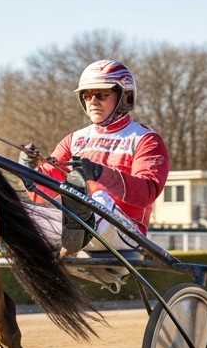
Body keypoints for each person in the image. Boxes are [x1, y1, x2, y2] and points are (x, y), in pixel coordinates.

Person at [17, 59, 170, 256]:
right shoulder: (74, 140)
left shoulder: (146, 140)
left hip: (126, 233)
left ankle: (73, 238)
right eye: (87, 95)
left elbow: (146, 193)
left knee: (98, 198)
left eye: (102, 95)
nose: (93, 101)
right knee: (15, 212)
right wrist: (29, 171)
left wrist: (99, 173)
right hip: (77, 225)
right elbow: (39, 194)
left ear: (125, 98)